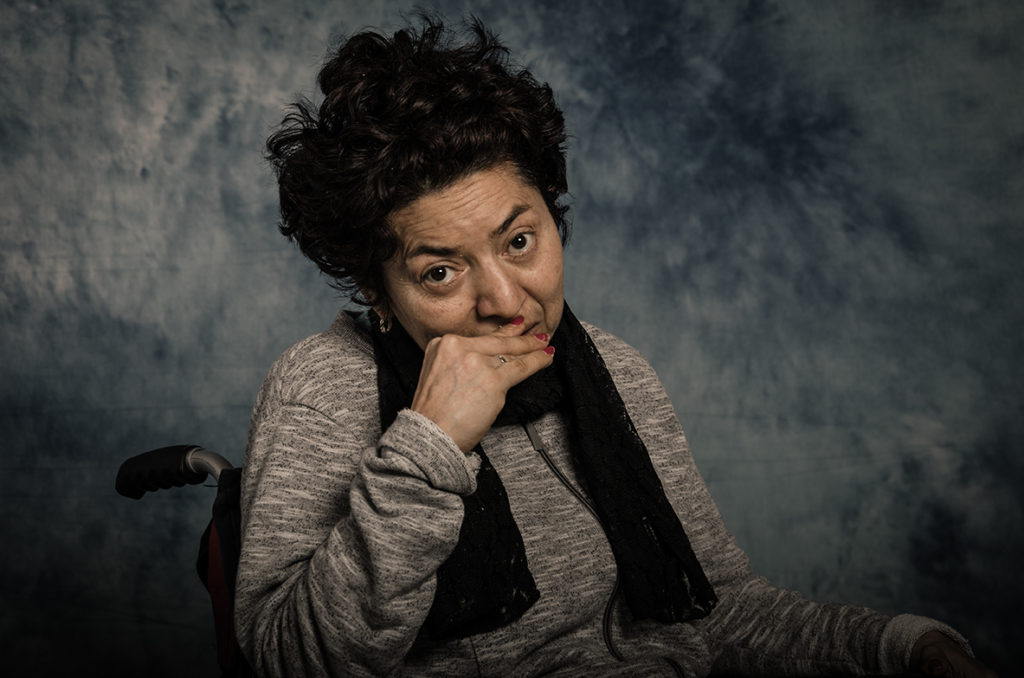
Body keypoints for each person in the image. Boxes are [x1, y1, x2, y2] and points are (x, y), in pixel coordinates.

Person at [233, 16, 996, 678]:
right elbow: (287, 661)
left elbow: (719, 612)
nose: (505, 301)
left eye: (520, 241)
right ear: (377, 289)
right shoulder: (323, 390)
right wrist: (428, 448)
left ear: (552, 214)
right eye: (441, 272)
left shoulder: (613, 369)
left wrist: (900, 647)